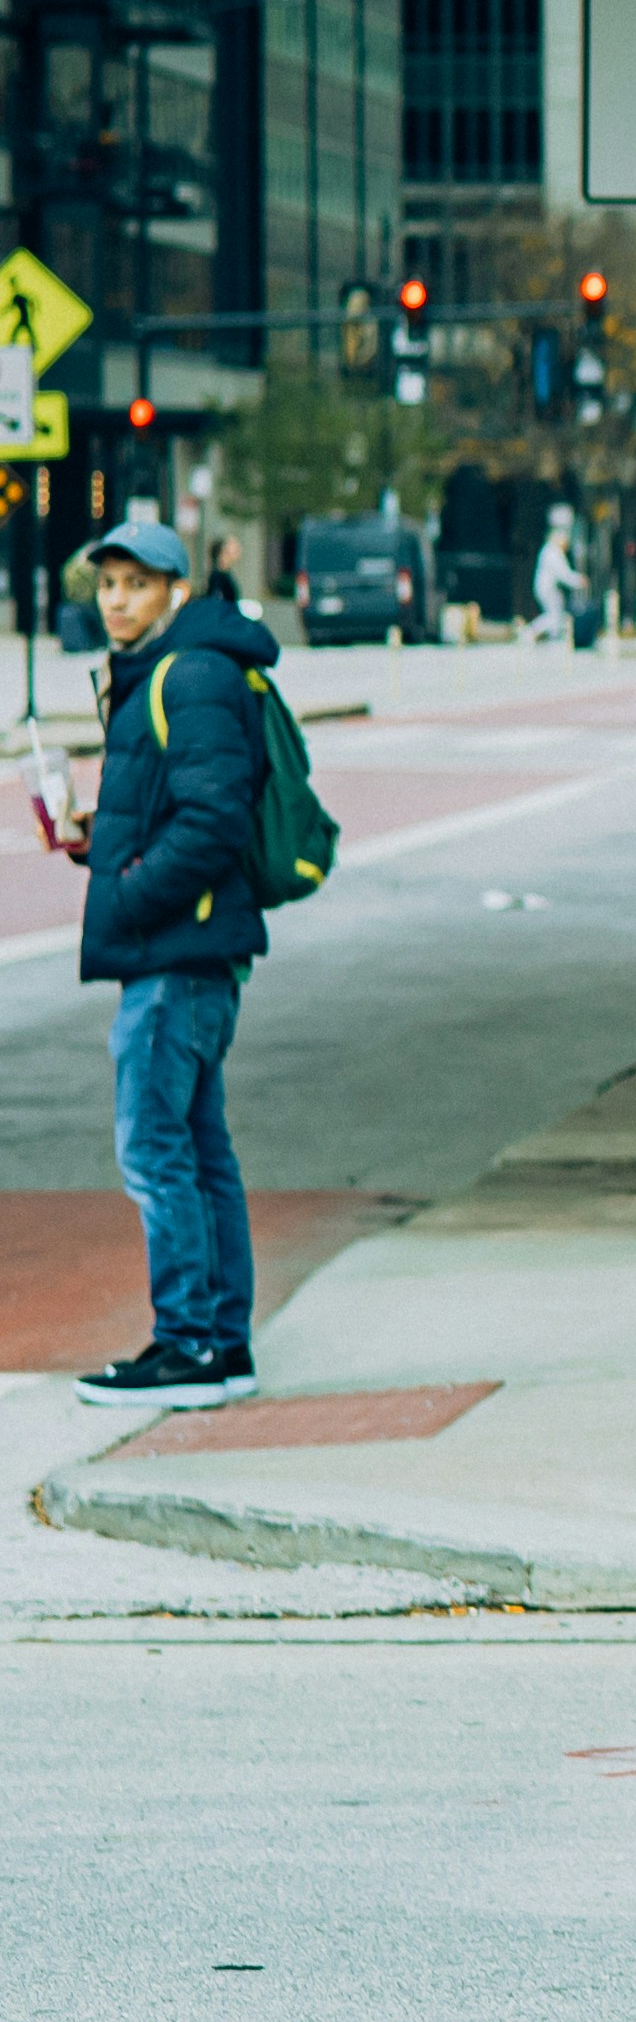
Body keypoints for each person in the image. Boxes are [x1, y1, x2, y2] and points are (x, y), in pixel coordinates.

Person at [59, 519, 281, 1407]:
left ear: (176, 591)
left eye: (136, 584)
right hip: (190, 946)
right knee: (199, 1148)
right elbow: (177, 808)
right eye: (108, 584)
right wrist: (98, 845)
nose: (117, 600)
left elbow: (213, 821)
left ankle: (187, 1343)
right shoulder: (169, 671)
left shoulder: (188, 675)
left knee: (155, 1150)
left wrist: (130, 890)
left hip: (177, 953)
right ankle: (222, 1342)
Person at [530, 507, 589, 647]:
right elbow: (563, 574)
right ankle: (530, 632)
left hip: (549, 588)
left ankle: (553, 638)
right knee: (553, 616)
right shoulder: (552, 552)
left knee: (556, 615)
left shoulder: (550, 550)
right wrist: (578, 580)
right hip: (547, 589)